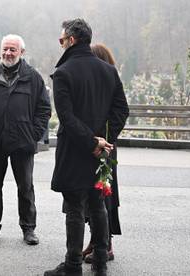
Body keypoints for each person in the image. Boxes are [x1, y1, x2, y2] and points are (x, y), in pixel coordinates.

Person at [44, 19, 129, 276]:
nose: (60, 44)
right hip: (101, 153)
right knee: (98, 204)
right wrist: (104, 140)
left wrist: (93, 142)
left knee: (74, 208)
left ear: (72, 40)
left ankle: (72, 265)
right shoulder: (108, 70)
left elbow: (67, 118)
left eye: (61, 40)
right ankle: (100, 263)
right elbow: (121, 110)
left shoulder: (63, 73)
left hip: (74, 150)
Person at [0, 34, 51, 246]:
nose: (8, 53)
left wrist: (34, 134)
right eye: (5, 49)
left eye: (13, 49)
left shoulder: (32, 77)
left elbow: (43, 109)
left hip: (22, 143)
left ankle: (29, 229)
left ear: (22, 52)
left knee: (25, 187)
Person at [82, 43, 122, 264]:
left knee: (105, 195)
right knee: (91, 196)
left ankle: (106, 244)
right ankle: (95, 240)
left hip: (105, 148)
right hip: (88, 145)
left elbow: (119, 112)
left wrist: (106, 138)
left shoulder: (110, 83)